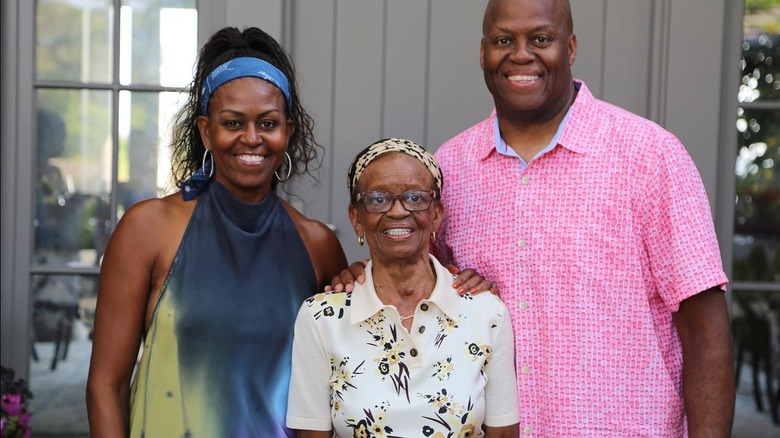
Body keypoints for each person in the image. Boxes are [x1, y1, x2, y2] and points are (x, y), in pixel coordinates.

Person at [332, 0, 736, 436]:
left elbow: (705, 332)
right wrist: (364, 277)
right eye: (504, 40)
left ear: (571, 47)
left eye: (540, 39)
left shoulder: (650, 156)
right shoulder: (453, 167)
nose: (521, 55)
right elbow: (416, 286)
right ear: (482, 51)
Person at [86, 26, 349, 437]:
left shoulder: (318, 245)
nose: (251, 138)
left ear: (288, 132)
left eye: (268, 123)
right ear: (207, 131)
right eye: (233, 122)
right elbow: (107, 386)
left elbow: (339, 385)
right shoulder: (148, 228)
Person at [287, 138, 519, 437]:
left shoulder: (486, 313)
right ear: (356, 218)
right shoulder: (321, 318)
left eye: (415, 197)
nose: (398, 211)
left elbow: (503, 433)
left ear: (436, 214)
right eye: (378, 199)